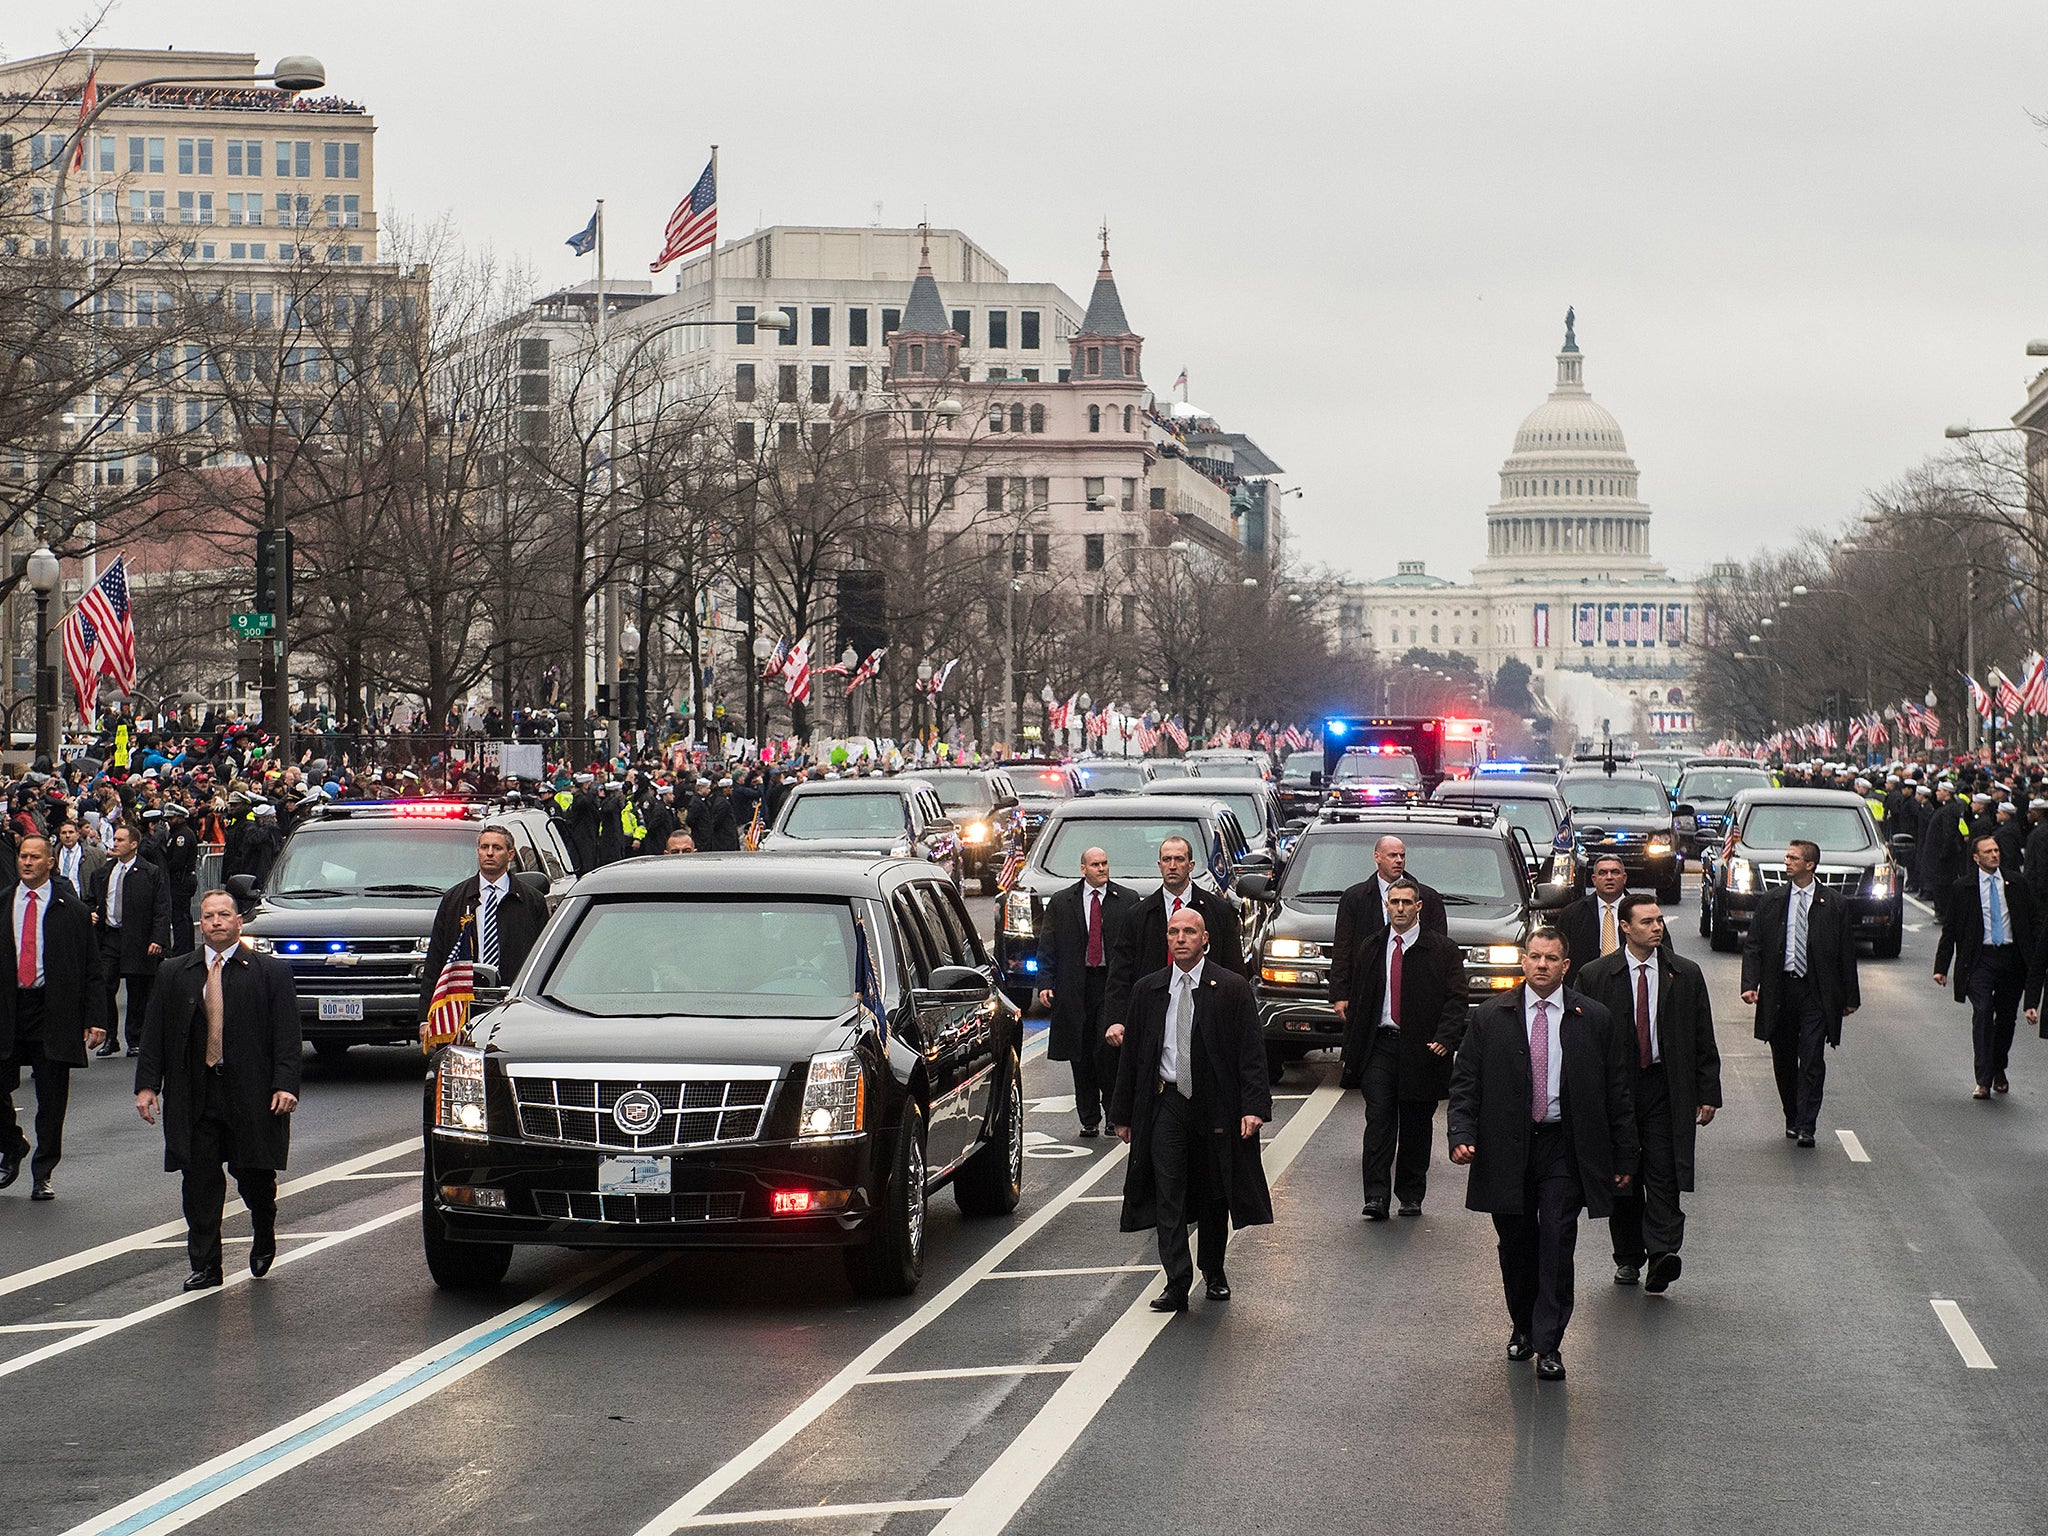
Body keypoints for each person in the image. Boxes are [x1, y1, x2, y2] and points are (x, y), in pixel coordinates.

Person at [1447, 927, 1636, 1381]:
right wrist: (1461, 1133)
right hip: (1506, 1145)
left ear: (1565, 965)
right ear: (1523, 961)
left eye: (1551, 958)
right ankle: (1523, 1326)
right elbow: (1466, 1082)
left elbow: (1617, 1091)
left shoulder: (1592, 1018)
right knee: (1516, 1245)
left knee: (1556, 1239)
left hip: (1563, 1147)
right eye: (1534, 957)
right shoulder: (1493, 1015)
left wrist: (1625, 1157)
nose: (1542, 966)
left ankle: (1550, 1343)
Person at [134, 891, 301, 1291]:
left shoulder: (269, 972)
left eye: (224, 915)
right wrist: (146, 1086)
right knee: (200, 1181)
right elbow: (154, 1032)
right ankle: (206, 1264)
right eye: (208, 916)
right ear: (200, 924)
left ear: (239, 922)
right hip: (197, 1093)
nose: (216, 922)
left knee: (253, 1176)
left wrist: (285, 1084)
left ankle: (264, 1229)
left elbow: (287, 1035)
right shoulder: (176, 972)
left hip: (251, 1093)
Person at [1108, 906, 1272, 1312]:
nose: (1181, 938)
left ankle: (1213, 1272)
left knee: (1214, 1191)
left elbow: (1251, 1052)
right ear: (1167, 939)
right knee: (1169, 1192)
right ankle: (1176, 1281)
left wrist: (1253, 1107)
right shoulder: (1148, 990)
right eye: (1173, 932)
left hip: (1214, 1104)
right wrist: (1123, 1114)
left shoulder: (1230, 988)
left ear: (1205, 940)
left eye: (1189, 932)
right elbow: (1133, 1057)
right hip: (1166, 1102)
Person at [1575, 895, 1722, 1292]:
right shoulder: (1595, 976)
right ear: (1625, 928)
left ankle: (1662, 1253)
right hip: (1616, 1091)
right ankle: (1628, 1256)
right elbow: (1577, 1039)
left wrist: (1707, 1091)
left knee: (1664, 1169)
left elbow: (1701, 1035)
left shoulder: (1684, 973)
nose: (1656, 927)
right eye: (1647, 922)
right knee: (1624, 1172)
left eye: (1659, 921)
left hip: (1664, 1086)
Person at [1338, 875, 1466, 1219]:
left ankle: (1411, 1194)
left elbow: (1457, 999)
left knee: (1415, 1125)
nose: (1400, 908)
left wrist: (1445, 1037)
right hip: (1380, 1046)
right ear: (1386, 906)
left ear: (1419, 907)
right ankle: (1376, 1196)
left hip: (1422, 1050)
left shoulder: (1441, 949)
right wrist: (1352, 1050)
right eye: (1394, 902)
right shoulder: (1372, 946)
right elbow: (1362, 1001)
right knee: (1378, 1120)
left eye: (1407, 903)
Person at [0, 835, 108, 1199]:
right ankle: (12, 1143)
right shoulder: (3, 904)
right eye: (23, 857)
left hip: (53, 1010)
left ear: (50, 862)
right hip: (9, 1008)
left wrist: (96, 1018)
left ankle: (43, 1171)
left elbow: (92, 968)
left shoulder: (72, 910)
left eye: (35, 857)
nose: (27, 862)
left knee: (51, 1097)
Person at [1741, 839, 1859, 1145]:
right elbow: (1754, 945)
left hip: (1815, 992)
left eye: (1793, 858)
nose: (1787, 862)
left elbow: (1846, 952)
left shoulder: (1834, 903)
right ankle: (1792, 1116)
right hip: (1781, 990)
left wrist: (1849, 997)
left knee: (1811, 1057)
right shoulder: (1773, 900)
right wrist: (1750, 985)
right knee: (1783, 1057)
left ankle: (1808, 1124)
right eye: (1786, 857)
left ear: (1810, 864)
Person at [1934, 833, 2046, 1100]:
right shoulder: (1964, 887)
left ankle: (1998, 1068)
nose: (1995, 855)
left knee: (2006, 1019)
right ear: (1976, 858)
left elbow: (2035, 919)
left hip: (2012, 959)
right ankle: (1983, 1079)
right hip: (1979, 959)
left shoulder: (2017, 883)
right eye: (1988, 852)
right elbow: (1950, 930)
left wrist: (2034, 951)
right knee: (1983, 1012)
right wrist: (1941, 966)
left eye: (1996, 850)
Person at [1103, 836, 1243, 1047]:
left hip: (1206, 1013)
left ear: (1191, 865)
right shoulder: (1138, 915)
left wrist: (1237, 1016)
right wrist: (1116, 1019)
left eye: (1179, 859)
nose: (1172, 866)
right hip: (1153, 1013)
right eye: (1167, 860)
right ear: (1159, 865)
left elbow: (1233, 967)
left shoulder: (1217, 911)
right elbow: (1120, 971)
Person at [1038, 846, 1139, 1137]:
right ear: (1083, 868)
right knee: (1079, 1054)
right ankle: (1088, 1117)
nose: (1102, 869)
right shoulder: (1062, 902)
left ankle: (1113, 1113)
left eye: (1105, 863)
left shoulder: (1127, 900)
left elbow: (1134, 947)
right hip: (1075, 988)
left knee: (1107, 1052)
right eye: (1095, 864)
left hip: (1111, 985)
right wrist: (1045, 982)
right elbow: (1048, 945)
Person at [418, 824, 550, 1036]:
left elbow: (545, 959)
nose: (489, 853)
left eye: (497, 848)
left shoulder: (530, 900)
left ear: (510, 854)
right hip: (464, 1002)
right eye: (484, 847)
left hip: (514, 1004)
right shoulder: (454, 899)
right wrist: (426, 1017)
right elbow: (435, 960)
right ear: (478, 851)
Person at [1328, 835, 1448, 1023]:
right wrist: (1340, 994)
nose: (1399, 860)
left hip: (1415, 990)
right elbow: (1342, 949)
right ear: (1377, 857)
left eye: (1402, 856)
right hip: (1367, 990)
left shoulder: (1429, 898)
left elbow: (1441, 952)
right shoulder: (1355, 898)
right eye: (1392, 855)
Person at [87, 821, 171, 1058]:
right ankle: (109, 1036)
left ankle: (135, 1038)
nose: (115, 844)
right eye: (114, 839)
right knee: (104, 984)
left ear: (134, 844)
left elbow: (161, 908)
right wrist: (91, 912)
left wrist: (158, 938)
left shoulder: (150, 872)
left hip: (138, 938)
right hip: (110, 937)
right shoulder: (104, 872)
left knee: (137, 990)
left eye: (120, 840)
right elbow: (91, 899)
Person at [1556, 854, 1631, 975]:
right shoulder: (1573, 914)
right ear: (1594, 879)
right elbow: (1557, 952)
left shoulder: (1642, 911)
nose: (1609, 877)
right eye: (1603, 873)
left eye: (1615, 872)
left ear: (1624, 878)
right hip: (1585, 985)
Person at [52, 816, 107, 900]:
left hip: (83, 901)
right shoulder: (53, 854)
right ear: (59, 836)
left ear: (78, 834)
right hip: (58, 901)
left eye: (71, 832)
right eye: (64, 833)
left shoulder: (96, 854)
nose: (67, 836)